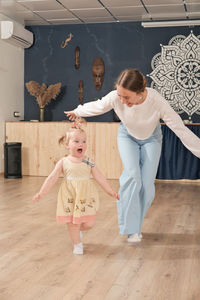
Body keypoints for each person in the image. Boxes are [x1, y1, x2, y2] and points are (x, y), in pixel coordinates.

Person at [64, 68, 200, 243]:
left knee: (147, 186)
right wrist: (78, 111)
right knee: (132, 177)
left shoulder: (156, 101)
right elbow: (99, 105)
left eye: (126, 97)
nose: (122, 100)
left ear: (140, 92)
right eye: (120, 95)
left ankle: (137, 223)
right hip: (127, 136)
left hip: (152, 138)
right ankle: (131, 229)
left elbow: (180, 129)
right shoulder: (116, 97)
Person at [32, 117, 119, 255]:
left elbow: (99, 177)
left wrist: (110, 191)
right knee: (73, 223)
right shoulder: (64, 161)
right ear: (67, 144)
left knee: (89, 223)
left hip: (85, 196)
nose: (81, 144)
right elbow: (52, 178)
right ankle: (77, 243)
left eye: (84, 141)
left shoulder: (88, 162)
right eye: (76, 141)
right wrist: (41, 193)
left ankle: (77, 232)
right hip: (70, 196)